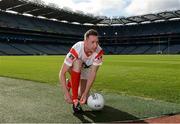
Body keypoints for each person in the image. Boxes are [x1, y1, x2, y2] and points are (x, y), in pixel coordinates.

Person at [59, 29, 104, 113]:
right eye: (92, 42)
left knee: (84, 98)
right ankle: (75, 100)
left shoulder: (99, 52)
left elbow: (93, 74)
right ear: (85, 41)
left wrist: (85, 93)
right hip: (73, 67)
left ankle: (70, 84)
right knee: (78, 62)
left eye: (97, 42)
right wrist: (66, 93)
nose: (95, 45)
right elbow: (62, 73)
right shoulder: (77, 48)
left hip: (86, 70)